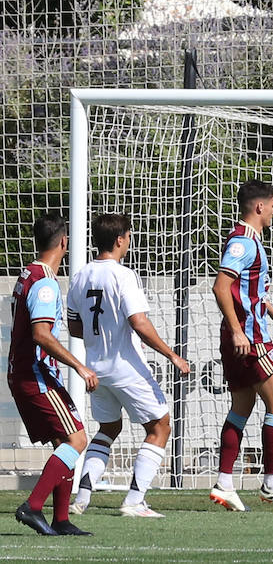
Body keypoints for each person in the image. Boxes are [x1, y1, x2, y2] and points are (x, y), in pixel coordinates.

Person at [67, 213, 190, 518]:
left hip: (95, 368)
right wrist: (172, 355)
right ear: (120, 239)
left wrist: (100, 338)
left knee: (109, 427)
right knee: (160, 426)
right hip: (124, 366)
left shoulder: (79, 276)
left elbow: (73, 326)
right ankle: (134, 501)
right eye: (129, 236)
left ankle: (81, 499)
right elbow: (138, 321)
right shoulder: (123, 275)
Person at [208, 179, 273, 511]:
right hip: (250, 340)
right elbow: (221, 287)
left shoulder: (246, 240)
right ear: (260, 206)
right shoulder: (244, 242)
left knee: (241, 408)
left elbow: (245, 292)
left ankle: (224, 483)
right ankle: (272, 483)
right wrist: (239, 331)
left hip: (242, 335)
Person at [8, 212, 97, 536]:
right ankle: (32, 507)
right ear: (64, 242)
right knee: (77, 439)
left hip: (26, 373)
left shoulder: (27, 273)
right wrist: (79, 365)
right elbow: (41, 334)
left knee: (65, 440)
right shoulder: (44, 282)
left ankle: (61, 519)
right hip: (35, 374)